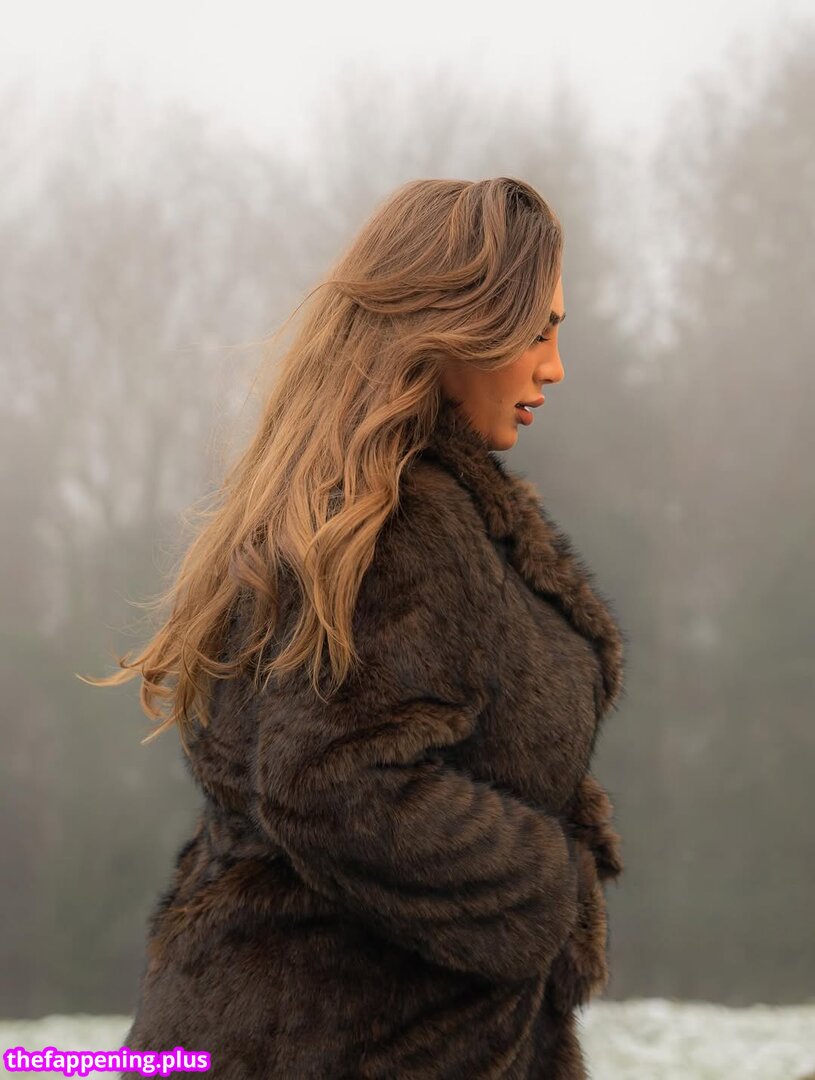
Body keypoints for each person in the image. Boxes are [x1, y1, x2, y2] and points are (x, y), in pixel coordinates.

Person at [84, 176, 627, 1078]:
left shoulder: (345, 511)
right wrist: (546, 883)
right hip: (350, 1043)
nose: (553, 366)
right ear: (458, 321)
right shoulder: (402, 526)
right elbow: (329, 781)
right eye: (536, 330)